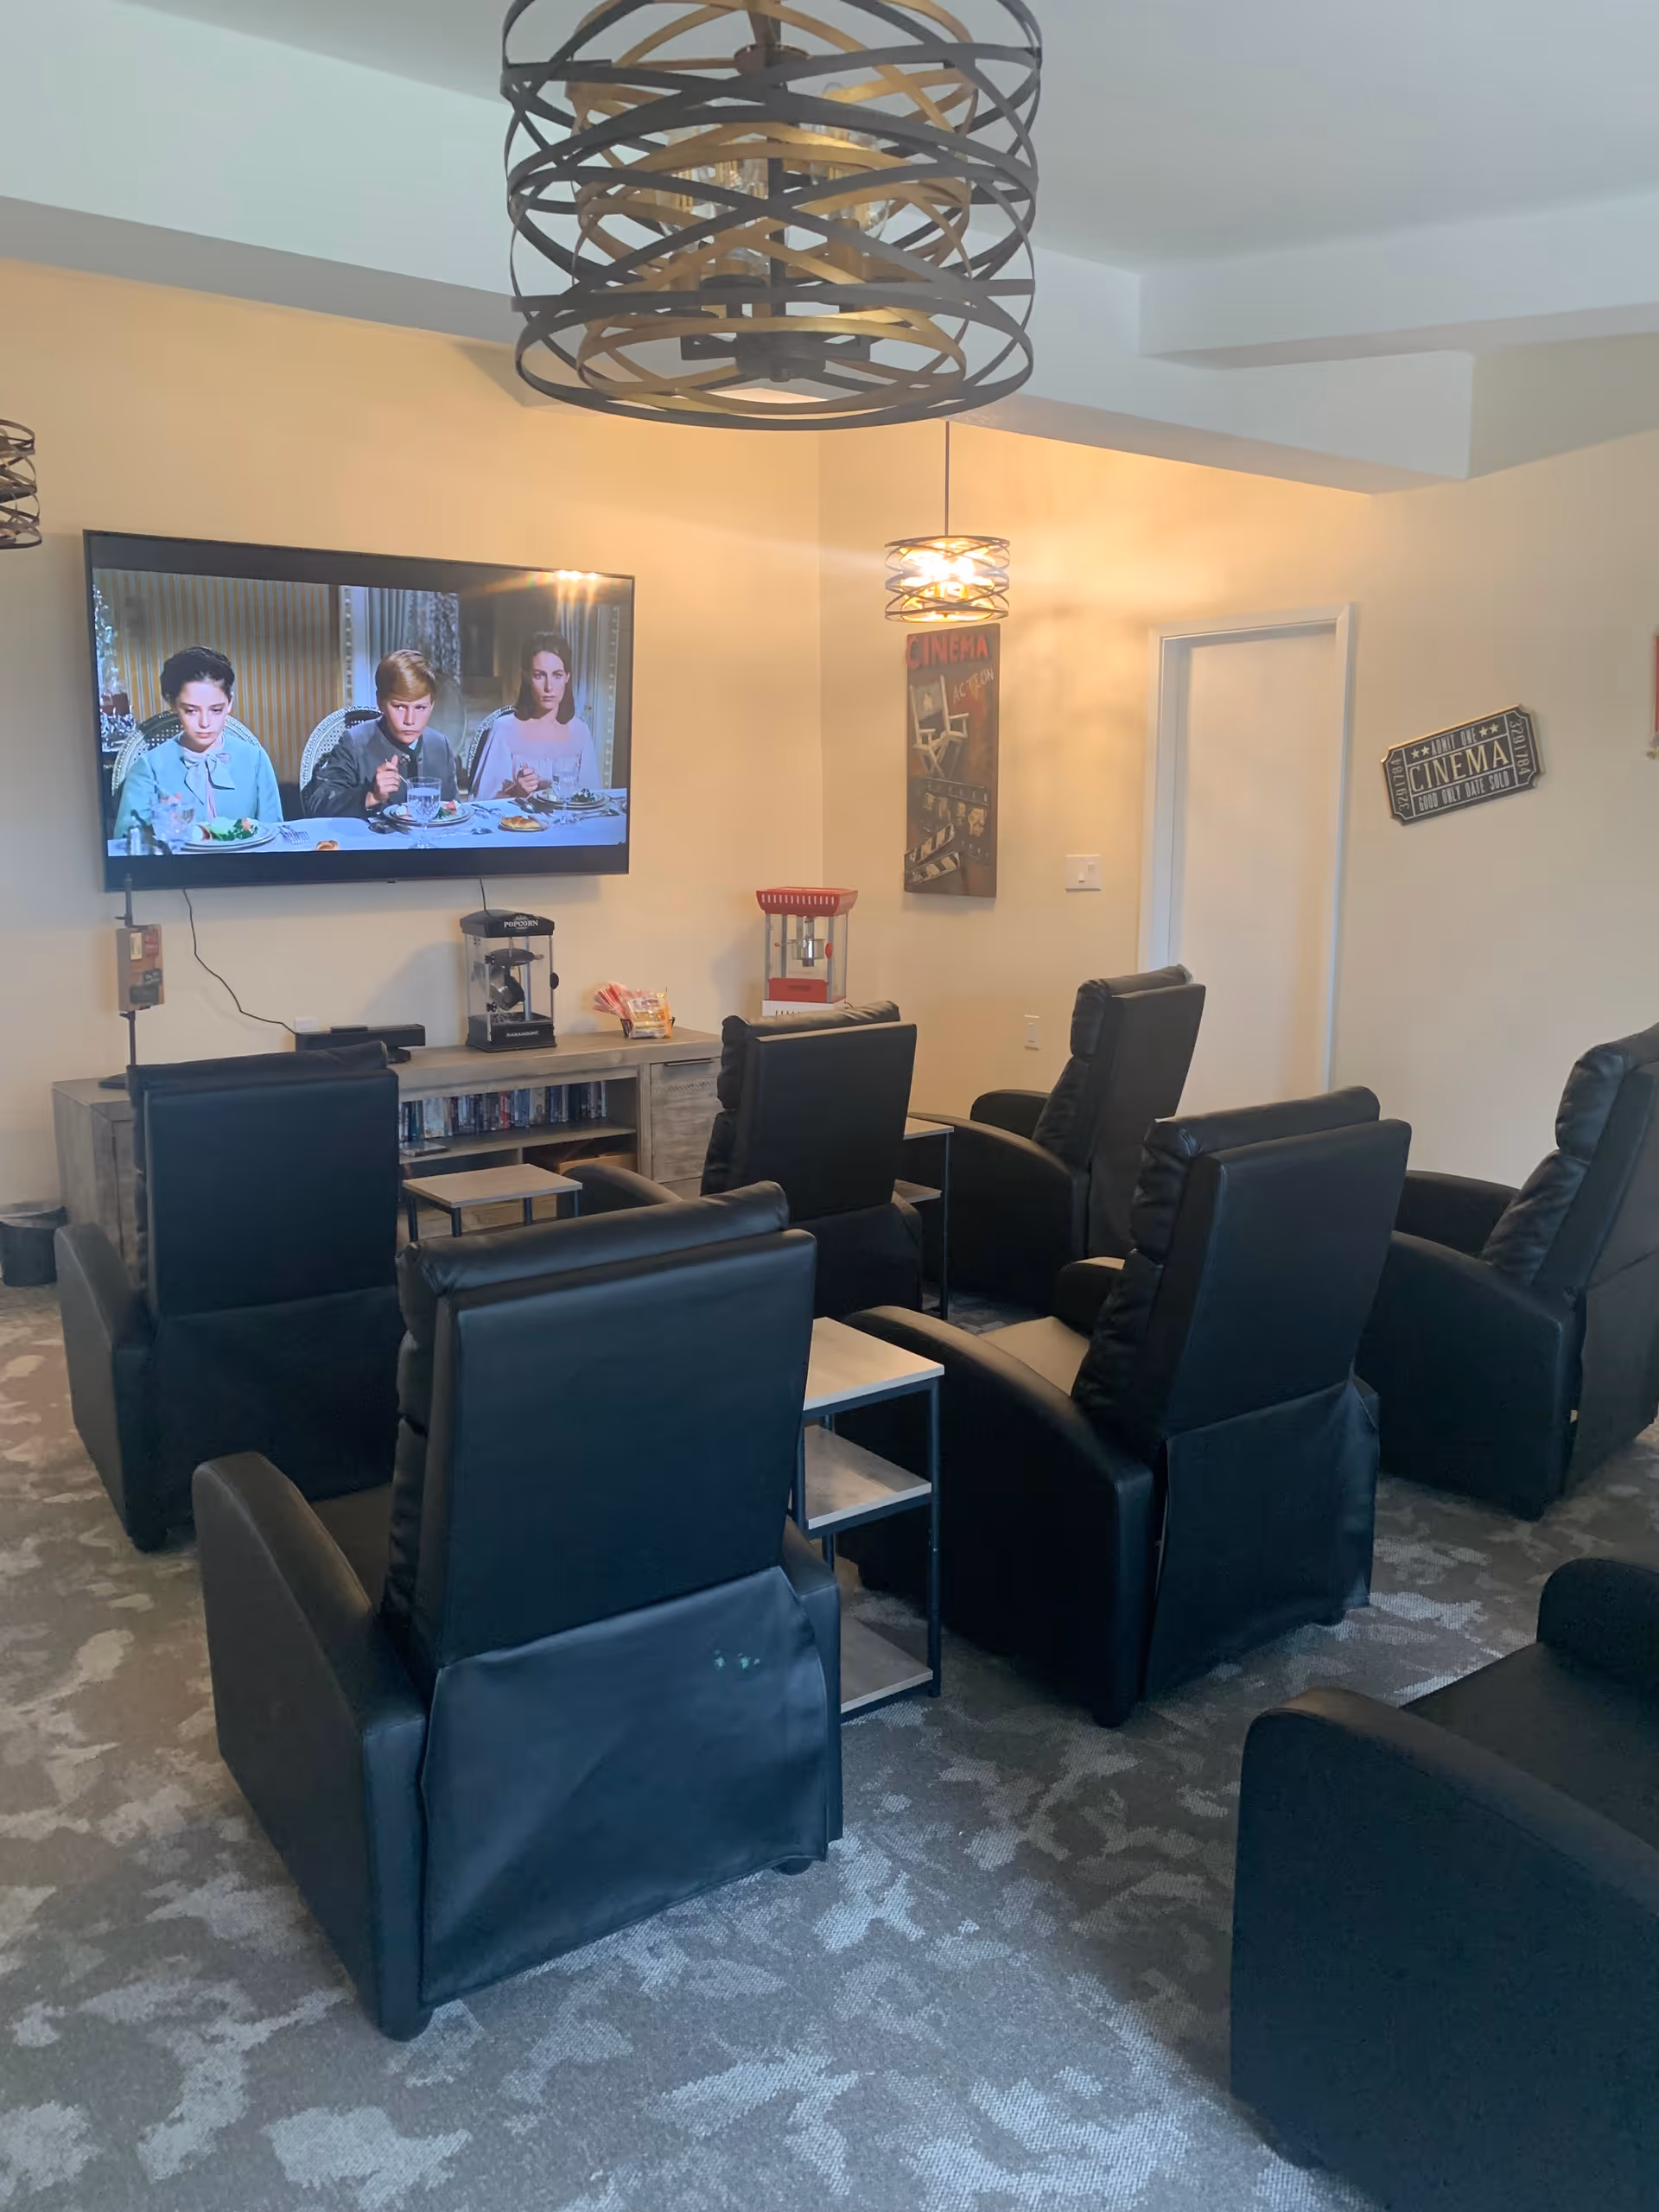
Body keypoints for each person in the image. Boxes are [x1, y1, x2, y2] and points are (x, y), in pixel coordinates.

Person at [112, 645, 281, 838]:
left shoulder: (255, 759)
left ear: (230, 702)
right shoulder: (150, 768)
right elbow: (126, 843)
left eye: (216, 710)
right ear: (172, 703)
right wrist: (159, 827)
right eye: (191, 711)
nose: (205, 723)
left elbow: (275, 835)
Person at [304, 649, 459, 818]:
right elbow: (318, 804)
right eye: (399, 707)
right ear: (380, 702)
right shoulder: (355, 742)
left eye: (420, 708)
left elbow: (454, 810)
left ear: (432, 705)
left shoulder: (440, 745)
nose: (410, 720)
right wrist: (370, 796)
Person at [470, 632, 601, 801]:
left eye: (557, 675)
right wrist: (517, 792)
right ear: (526, 677)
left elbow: (593, 798)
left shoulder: (580, 732)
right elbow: (482, 802)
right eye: (539, 675)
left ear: (567, 677)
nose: (549, 687)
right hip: (520, 824)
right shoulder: (504, 729)